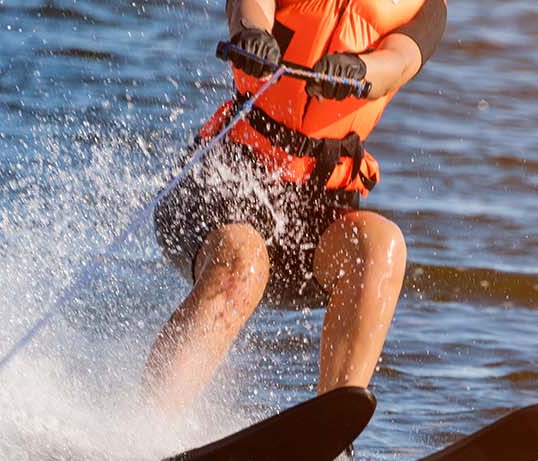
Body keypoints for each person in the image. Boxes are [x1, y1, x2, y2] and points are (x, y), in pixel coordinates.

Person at [145, 0, 447, 410]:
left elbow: (400, 62)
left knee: (380, 246)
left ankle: (332, 439)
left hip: (314, 211)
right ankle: (151, 425)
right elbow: (249, 7)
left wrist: (361, 72)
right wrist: (252, 35)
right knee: (241, 259)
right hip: (223, 186)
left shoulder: (427, 8)